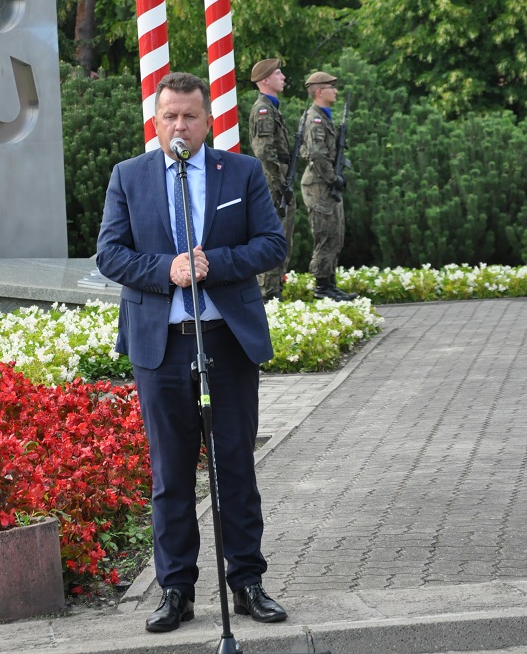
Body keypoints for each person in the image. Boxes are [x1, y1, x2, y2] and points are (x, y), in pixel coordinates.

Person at [96, 71, 288, 634]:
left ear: (207, 121)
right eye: (170, 116)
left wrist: (213, 264)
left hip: (226, 342)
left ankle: (247, 583)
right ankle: (175, 590)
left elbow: (272, 243)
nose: (179, 126)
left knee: (236, 468)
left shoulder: (241, 172)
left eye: (189, 116)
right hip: (160, 349)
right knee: (171, 475)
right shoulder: (129, 176)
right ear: (156, 121)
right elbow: (110, 253)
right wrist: (168, 269)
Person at [300, 71, 357, 302]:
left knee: (336, 235)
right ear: (319, 91)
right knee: (325, 236)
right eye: (331, 87)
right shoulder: (314, 119)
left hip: (326, 186)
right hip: (319, 186)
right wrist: (334, 178)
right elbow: (317, 154)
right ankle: (322, 287)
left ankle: (330, 284)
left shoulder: (324, 117)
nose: (336, 91)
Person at [248, 58, 296, 301]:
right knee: (275, 234)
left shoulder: (272, 108)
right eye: (278, 73)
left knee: (284, 233)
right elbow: (264, 152)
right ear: (265, 79)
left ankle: (275, 288)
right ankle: (267, 292)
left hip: (279, 177)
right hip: (273, 180)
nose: (283, 77)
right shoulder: (263, 110)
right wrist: (279, 184)